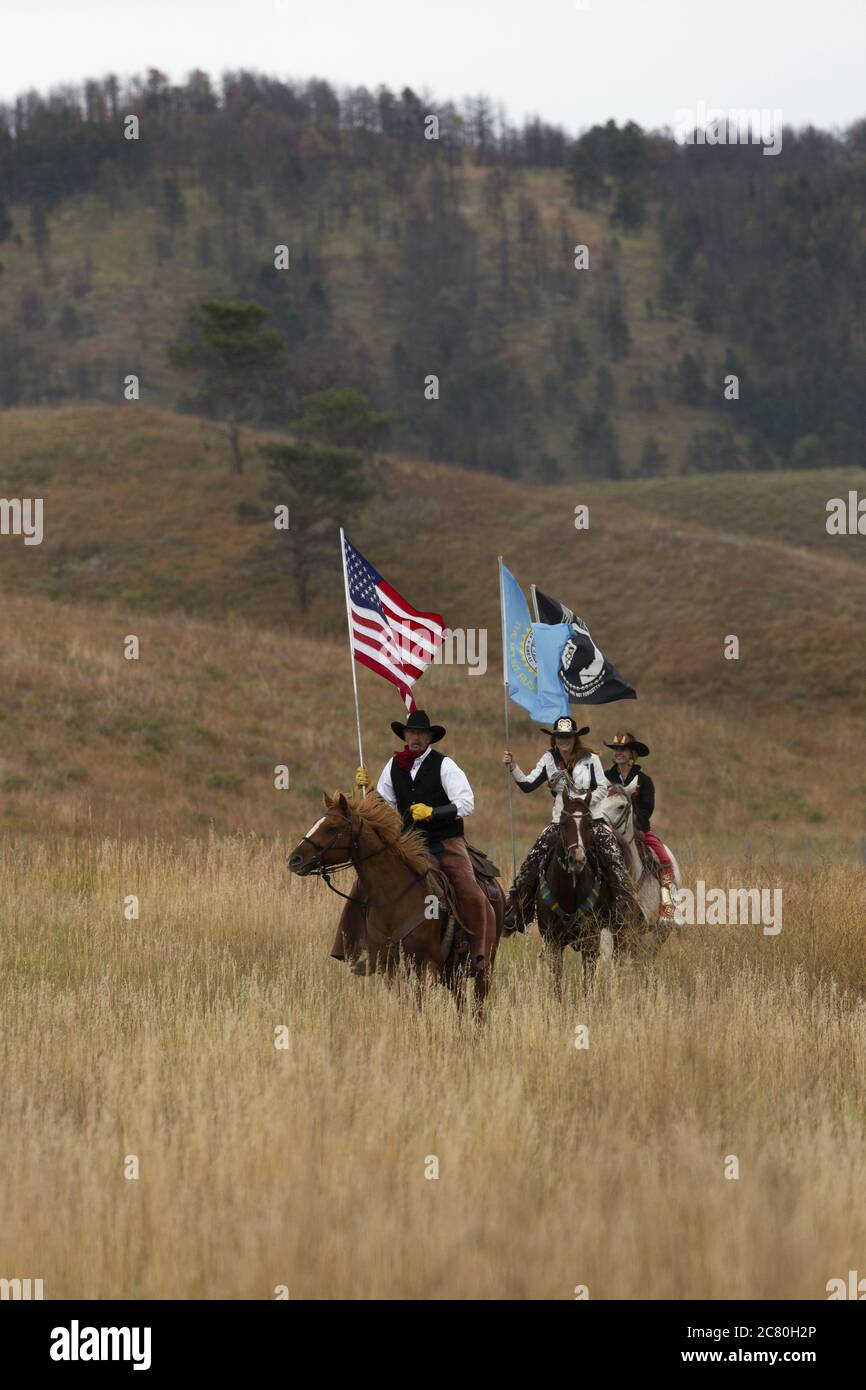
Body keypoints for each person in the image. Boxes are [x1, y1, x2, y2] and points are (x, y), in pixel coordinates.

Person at [331, 709, 496, 975]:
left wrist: (434, 812)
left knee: (470, 889)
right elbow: (383, 807)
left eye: (421, 733)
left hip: (446, 841)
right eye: (411, 732)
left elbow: (467, 803)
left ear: (429, 737)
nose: (415, 737)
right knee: (364, 881)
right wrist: (369, 789)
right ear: (405, 735)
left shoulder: (445, 765)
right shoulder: (393, 765)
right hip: (407, 842)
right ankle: (352, 947)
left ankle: (478, 954)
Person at [502, 715, 635, 933]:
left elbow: (602, 786)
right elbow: (527, 785)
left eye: (568, 737)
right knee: (533, 859)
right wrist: (514, 766)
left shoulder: (591, 758)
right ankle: (516, 909)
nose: (564, 740)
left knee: (613, 854)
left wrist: (581, 801)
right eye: (560, 737)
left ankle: (624, 905)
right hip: (561, 822)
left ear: (575, 738)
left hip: (591, 818)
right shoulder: (548, 759)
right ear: (554, 739)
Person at [603, 731, 675, 907]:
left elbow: (647, 807)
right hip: (608, 830)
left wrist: (634, 824)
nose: (619, 752)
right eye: (616, 749)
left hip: (639, 829)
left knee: (664, 859)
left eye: (624, 749)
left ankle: (668, 905)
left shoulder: (644, 780)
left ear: (632, 754)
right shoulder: (605, 778)